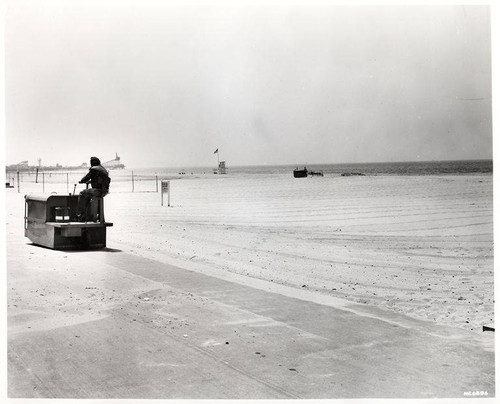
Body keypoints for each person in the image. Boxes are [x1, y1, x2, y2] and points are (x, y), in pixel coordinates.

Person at [76, 156, 110, 221]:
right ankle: (96, 214)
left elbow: (86, 177)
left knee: (82, 193)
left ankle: (80, 214)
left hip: (98, 191)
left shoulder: (94, 169)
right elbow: (100, 180)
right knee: (89, 194)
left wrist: (82, 181)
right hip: (104, 191)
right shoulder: (103, 169)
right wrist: (91, 181)